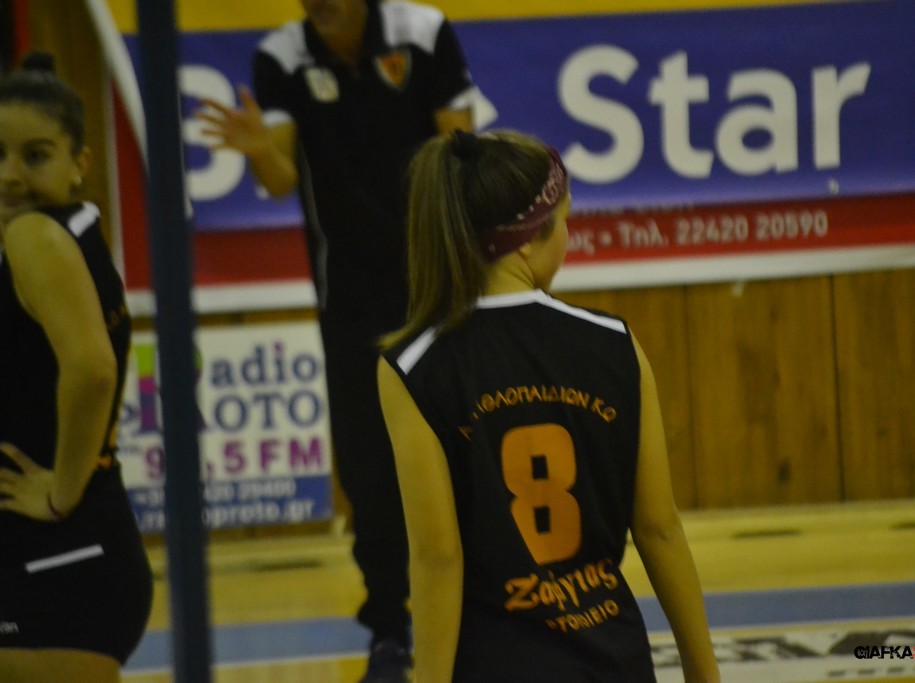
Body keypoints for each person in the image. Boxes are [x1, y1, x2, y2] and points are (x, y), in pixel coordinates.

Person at [377, 128, 721, 682]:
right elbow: (659, 529)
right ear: (525, 240)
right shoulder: (615, 344)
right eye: (564, 220)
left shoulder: (413, 367)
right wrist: (705, 675)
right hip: (614, 663)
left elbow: (438, 559)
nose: (568, 234)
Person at [197, 0, 476, 679]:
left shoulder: (423, 33)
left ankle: (479, 613)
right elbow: (279, 179)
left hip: (437, 287)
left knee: (464, 448)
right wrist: (259, 149)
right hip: (349, 301)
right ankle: (390, 629)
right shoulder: (282, 56)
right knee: (369, 470)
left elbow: (461, 159)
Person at [0, 53, 153, 682]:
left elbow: (92, 371)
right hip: (72, 555)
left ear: (79, 163)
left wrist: (61, 494)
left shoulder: (33, 236)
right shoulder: (74, 232)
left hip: (58, 560)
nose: (9, 174)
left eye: (34, 156)